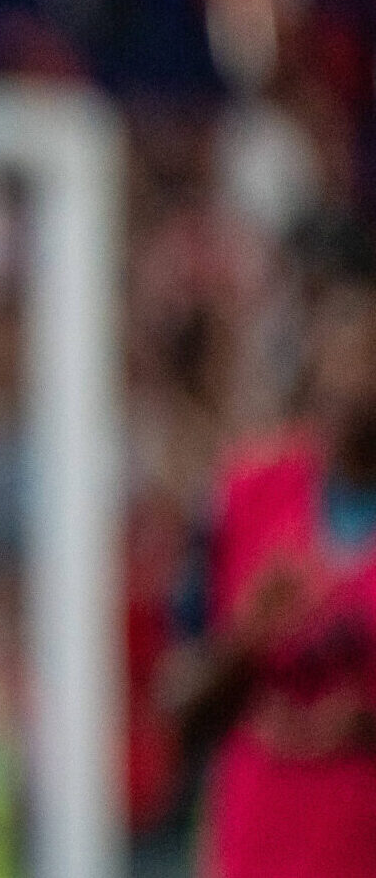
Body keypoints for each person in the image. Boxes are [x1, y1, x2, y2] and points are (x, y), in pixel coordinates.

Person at [165, 261, 376, 878]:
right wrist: (247, 639)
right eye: (338, 359)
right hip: (262, 840)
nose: (352, 382)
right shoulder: (246, 495)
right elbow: (178, 703)